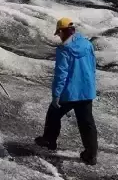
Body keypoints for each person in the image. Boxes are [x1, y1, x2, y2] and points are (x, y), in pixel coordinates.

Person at [35, 16, 98, 166]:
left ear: (63, 32)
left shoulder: (64, 50)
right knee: (87, 123)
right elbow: (93, 65)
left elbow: (61, 74)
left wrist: (56, 94)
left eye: (59, 33)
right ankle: (91, 154)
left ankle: (49, 140)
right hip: (86, 90)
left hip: (70, 92)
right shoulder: (87, 44)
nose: (59, 37)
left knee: (53, 113)